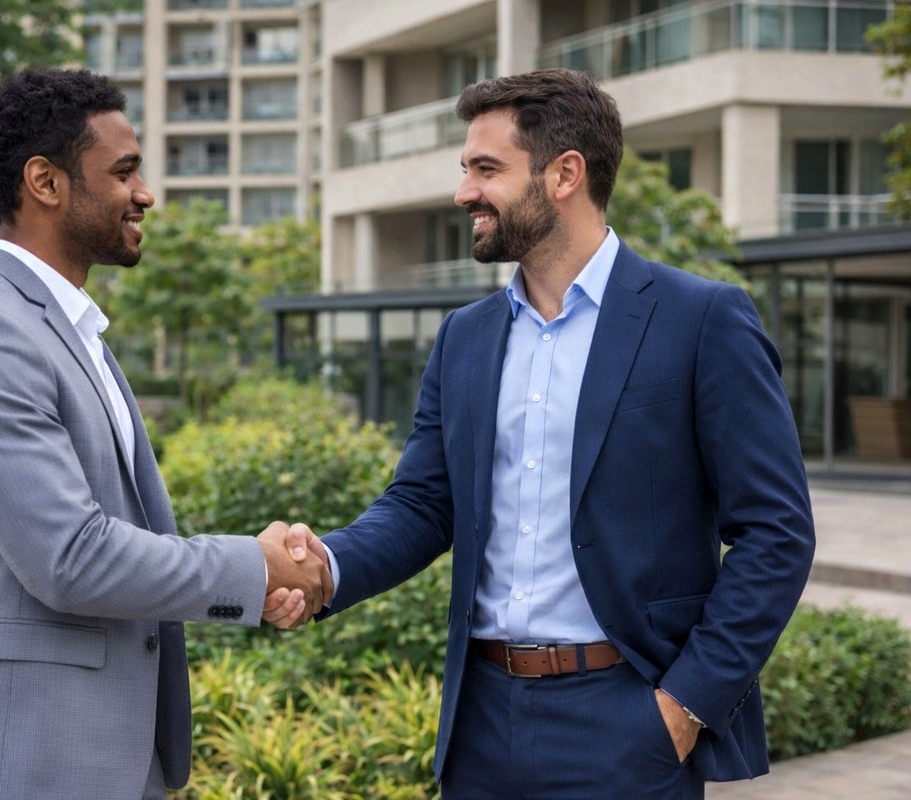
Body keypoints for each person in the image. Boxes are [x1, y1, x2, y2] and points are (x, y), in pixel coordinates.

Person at [268, 69, 815, 799]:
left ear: (564, 175)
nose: (465, 192)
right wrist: (326, 566)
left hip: (628, 721)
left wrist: (683, 707)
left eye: (485, 169)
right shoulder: (466, 338)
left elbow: (777, 532)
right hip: (482, 724)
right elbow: (424, 505)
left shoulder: (702, 320)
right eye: (466, 169)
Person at [0, 67, 325, 800]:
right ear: (46, 182)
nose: (145, 193)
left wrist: (262, 575)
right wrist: (254, 570)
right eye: (123, 173)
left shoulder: (69, 330)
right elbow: (71, 556)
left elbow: (117, 534)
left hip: (105, 756)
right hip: (21, 754)